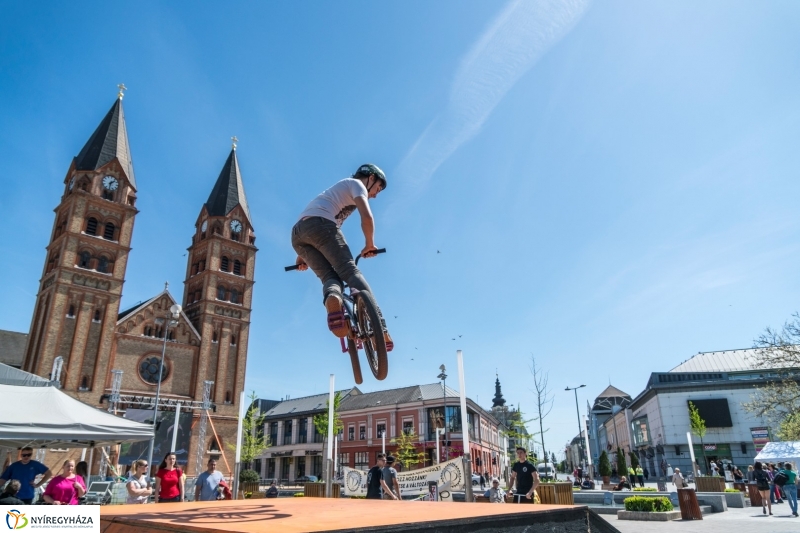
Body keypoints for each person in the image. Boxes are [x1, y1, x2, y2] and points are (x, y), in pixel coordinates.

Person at [291, 164, 392, 348]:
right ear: (370, 178)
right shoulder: (357, 185)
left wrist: (302, 255)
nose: (375, 195)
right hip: (321, 224)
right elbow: (367, 217)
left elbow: (314, 229)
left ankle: (333, 297)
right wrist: (369, 244)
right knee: (350, 271)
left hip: (298, 235)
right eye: (377, 189)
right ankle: (381, 330)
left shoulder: (338, 193)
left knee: (329, 277)